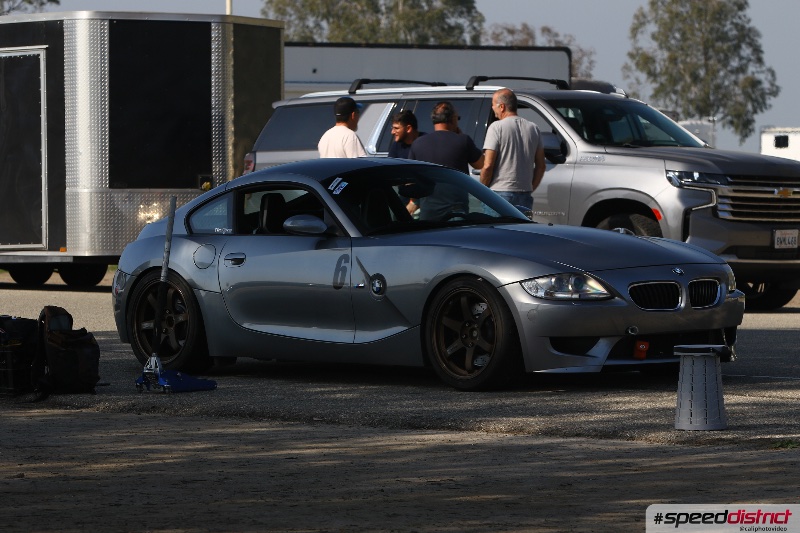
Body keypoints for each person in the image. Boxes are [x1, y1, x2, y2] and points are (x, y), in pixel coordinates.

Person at [407, 101, 484, 220]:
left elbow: (410, 182)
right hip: (456, 210)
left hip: (428, 210)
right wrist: (461, 137)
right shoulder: (463, 141)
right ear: (453, 119)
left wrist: (414, 202)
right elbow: (480, 164)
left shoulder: (417, 143)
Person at [480, 88, 546, 211]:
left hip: (499, 193)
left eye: (493, 105)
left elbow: (488, 165)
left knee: (494, 230)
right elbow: (541, 166)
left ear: (502, 107)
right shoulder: (533, 128)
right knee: (520, 230)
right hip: (525, 194)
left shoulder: (496, 127)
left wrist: (481, 189)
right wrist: (530, 187)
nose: (492, 108)